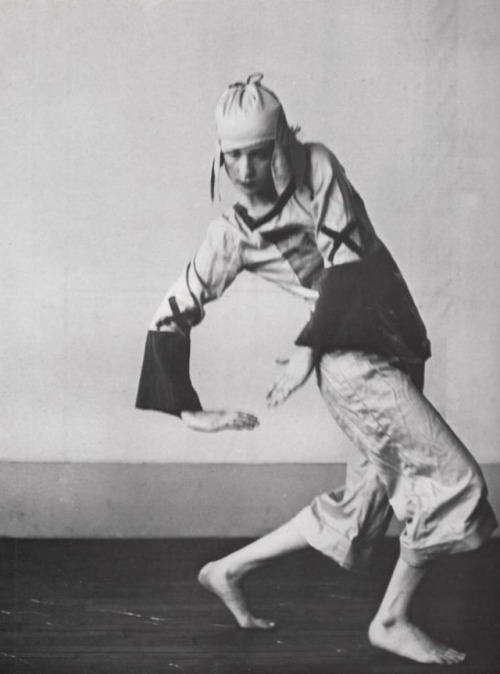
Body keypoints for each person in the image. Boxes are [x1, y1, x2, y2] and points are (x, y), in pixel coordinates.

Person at [136, 74, 497, 665]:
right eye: (234, 157)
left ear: (282, 141)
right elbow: (173, 309)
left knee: (365, 506)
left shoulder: (318, 169)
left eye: (260, 152)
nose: (248, 169)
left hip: (389, 345)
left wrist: (307, 347)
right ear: (219, 154)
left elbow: (349, 261)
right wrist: (186, 407)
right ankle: (392, 618)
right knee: (456, 482)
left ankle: (227, 569)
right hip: (352, 367)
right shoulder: (230, 236)